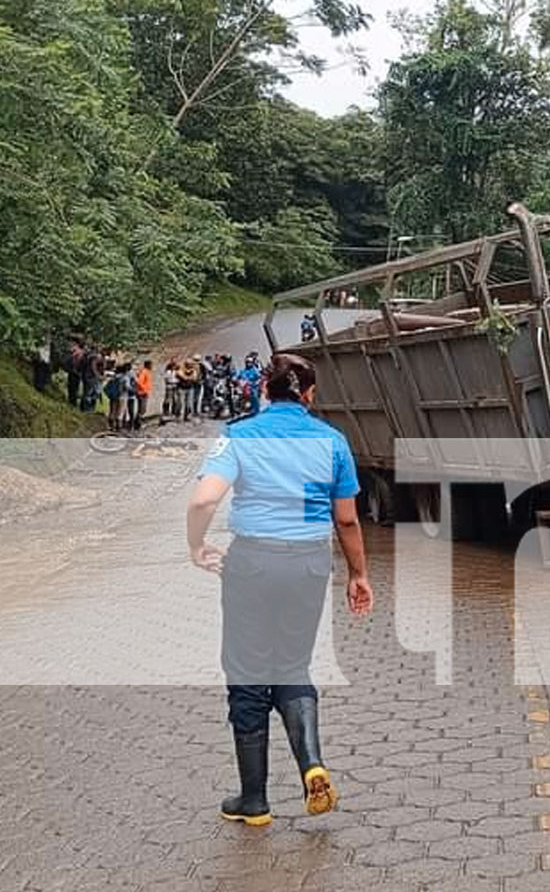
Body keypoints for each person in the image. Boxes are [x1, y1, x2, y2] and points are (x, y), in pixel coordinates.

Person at [187, 353, 373, 827]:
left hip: (252, 562)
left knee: (247, 673)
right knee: (292, 665)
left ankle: (254, 802)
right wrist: (358, 575)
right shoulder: (333, 441)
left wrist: (197, 545)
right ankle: (311, 763)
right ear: (309, 395)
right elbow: (347, 518)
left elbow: (205, 498)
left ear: (263, 391)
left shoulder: (238, 435)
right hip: (308, 563)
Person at [132, 359, 154, 431]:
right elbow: (139, 382)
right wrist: (144, 389)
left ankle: (137, 423)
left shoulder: (147, 372)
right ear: (148, 365)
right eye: (151, 365)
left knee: (142, 409)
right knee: (142, 409)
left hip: (144, 392)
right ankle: (137, 424)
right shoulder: (144, 372)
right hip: (142, 393)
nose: (152, 366)